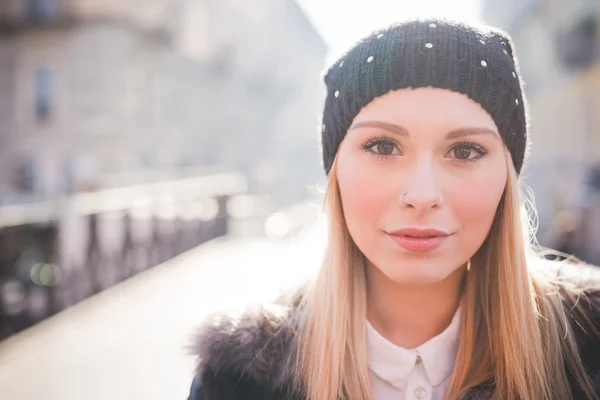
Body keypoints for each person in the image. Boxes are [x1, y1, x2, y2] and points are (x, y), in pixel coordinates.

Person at [188, 19, 600, 400]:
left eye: (465, 150)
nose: (422, 195)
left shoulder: (590, 345)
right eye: (382, 147)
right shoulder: (239, 378)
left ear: (507, 179)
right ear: (336, 173)